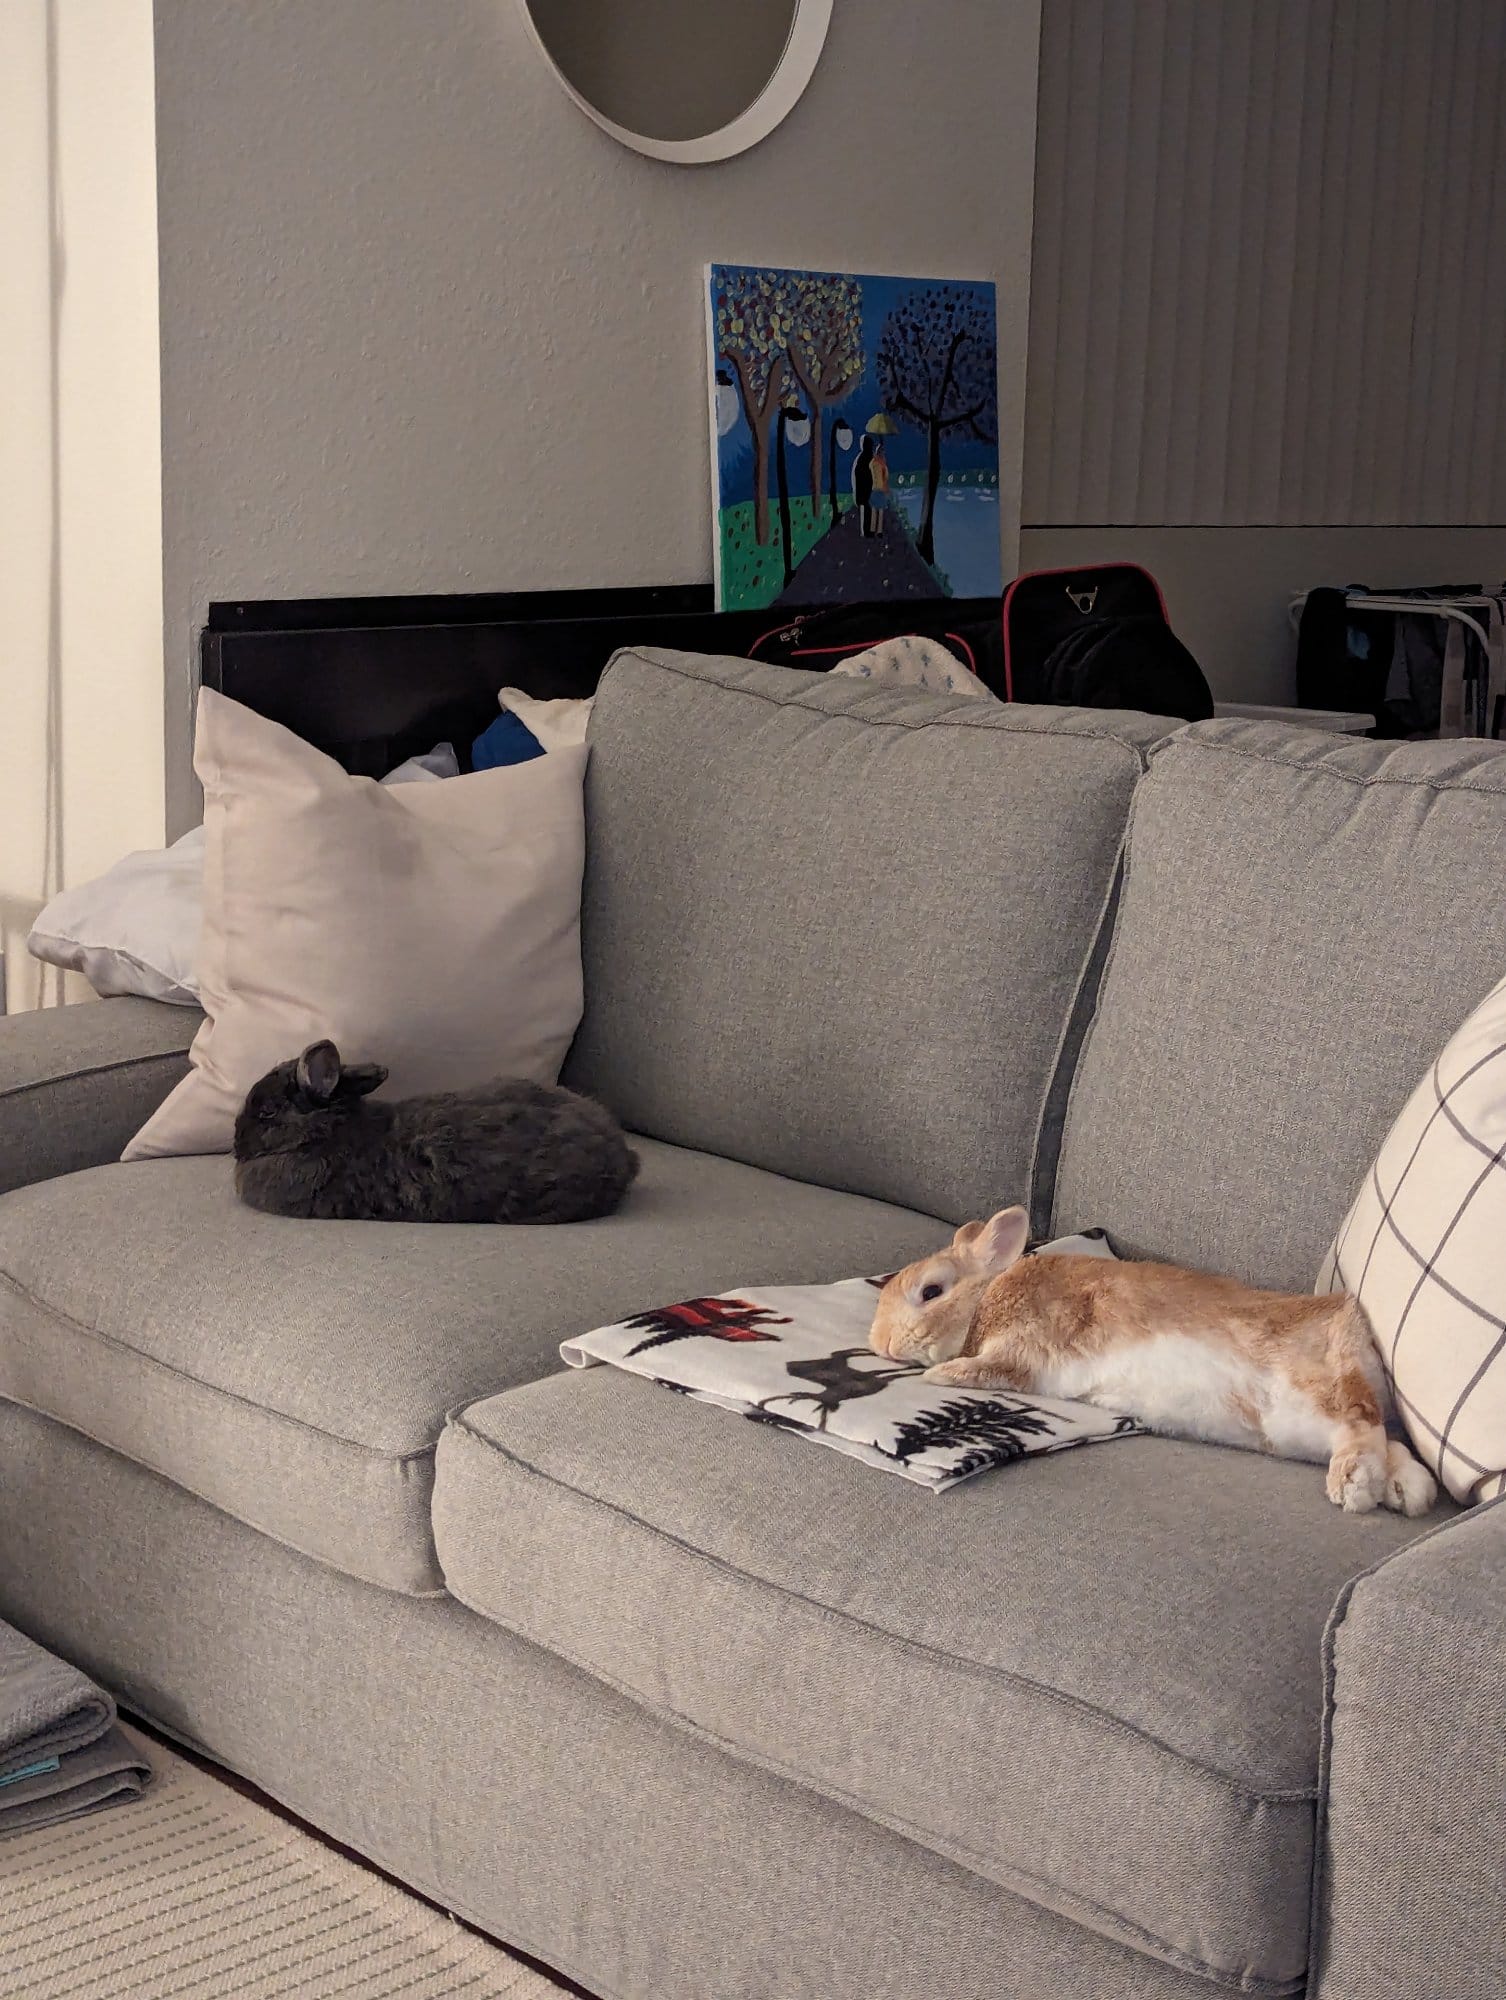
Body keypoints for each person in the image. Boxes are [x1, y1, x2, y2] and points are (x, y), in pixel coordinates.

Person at [852, 435, 876, 537]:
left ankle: (865, 532)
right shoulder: (872, 457)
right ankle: (869, 532)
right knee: (870, 511)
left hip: (863, 490)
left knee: (865, 511)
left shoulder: (861, 458)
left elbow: (856, 474)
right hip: (870, 489)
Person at [870, 440, 890, 536]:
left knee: (874, 510)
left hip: (873, 489)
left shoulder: (873, 463)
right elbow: (886, 477)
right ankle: (879, 531)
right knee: (880, 512)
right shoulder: (883, 465)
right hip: (881, 489)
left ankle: (872, 529)